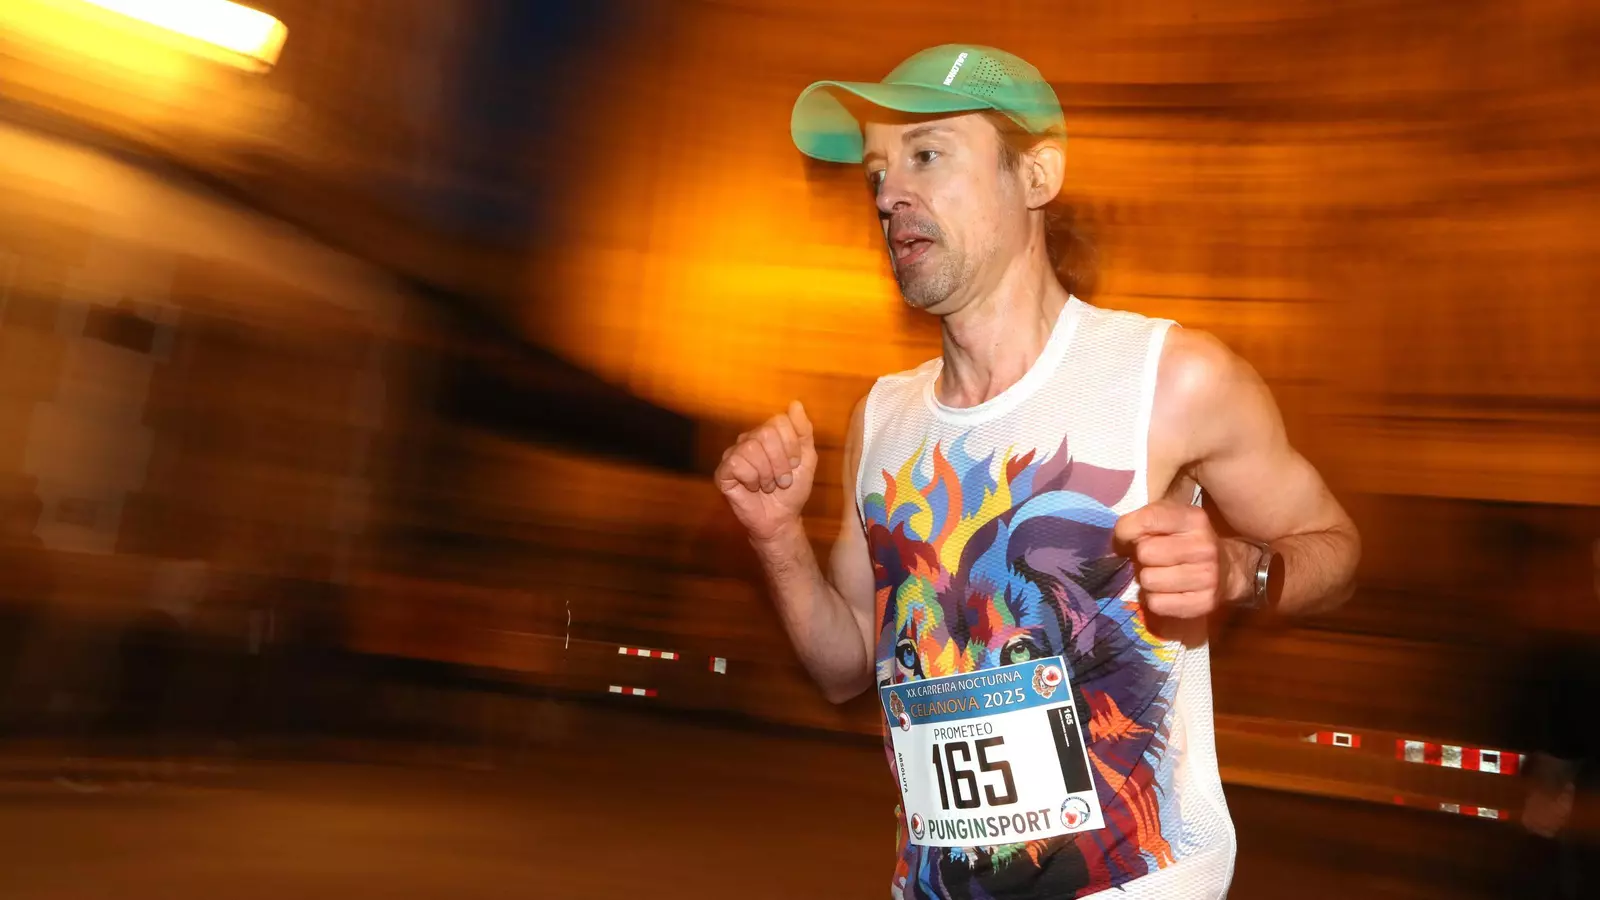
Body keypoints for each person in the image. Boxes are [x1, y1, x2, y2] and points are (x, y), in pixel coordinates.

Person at [714, 45, 1361, 899]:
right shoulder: (881, 420)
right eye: (876, 171)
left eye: (926, 154)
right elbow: (845, 669)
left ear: (1036, 176)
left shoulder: (1169, 379)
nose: (888, 192)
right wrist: (777, 540)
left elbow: (1336, 548)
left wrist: (1247, 570)